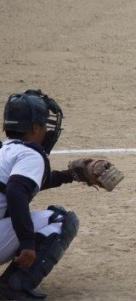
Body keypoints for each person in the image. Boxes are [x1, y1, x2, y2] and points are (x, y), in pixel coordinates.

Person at [0, 90, 79, 300]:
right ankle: (15, 286)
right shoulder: (30, 154)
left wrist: (69, 175)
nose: (46, 130)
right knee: (61, 220)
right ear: (35, 128)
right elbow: (16, 191)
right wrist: (27, 243)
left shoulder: (4, 152)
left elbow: (22, 184)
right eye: (44, 125)